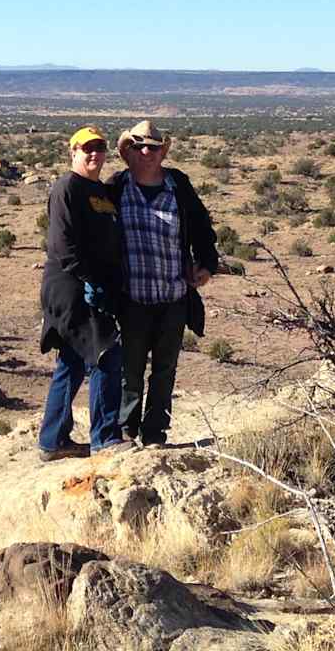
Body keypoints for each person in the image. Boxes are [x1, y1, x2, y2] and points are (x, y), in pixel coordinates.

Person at [109, 120, 219, 448]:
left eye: (153, 147)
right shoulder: (116, 187)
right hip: (132, 298)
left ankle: (155, 432)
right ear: (128, 151)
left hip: (173, 295)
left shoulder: (178, 185)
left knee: (164, 369)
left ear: (162, 151)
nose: (147, 152)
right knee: (130, 369)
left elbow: (201, 227)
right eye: (139, 146)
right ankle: (126, 430)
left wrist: (207, 264)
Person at [37, 126, 127, 461]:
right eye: (86, 148)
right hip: (71, 286)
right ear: (72, 151)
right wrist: (93, 281)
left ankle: (52, 440)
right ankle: (104, 438)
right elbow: (62, 246)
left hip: (90, 284)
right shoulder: (67, 187)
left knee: (72, 362)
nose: (94, 154)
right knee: (106, 353)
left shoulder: (100, 190)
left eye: (100, 148)